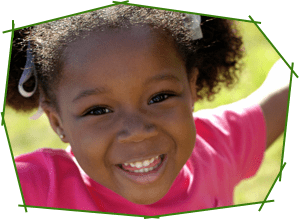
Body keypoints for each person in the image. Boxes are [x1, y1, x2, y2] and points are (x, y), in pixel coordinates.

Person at [6, 5, 290, 215]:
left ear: (191, 88)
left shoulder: (216, 147)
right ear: (57, 123)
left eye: (160, 97)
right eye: (98, 110)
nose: (138, 131)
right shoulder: (38, 187)